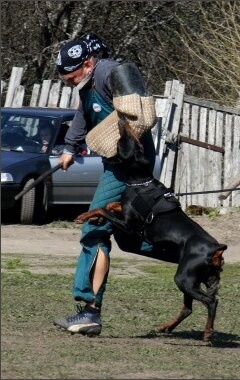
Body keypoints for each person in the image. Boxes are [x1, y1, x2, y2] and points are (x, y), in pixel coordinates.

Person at [52, 34, 161, 336]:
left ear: (87, 64)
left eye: (72, 77)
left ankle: (89, 310)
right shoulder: (88, 85)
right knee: (127, 237)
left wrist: (103, 141)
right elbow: (82, 115)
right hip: (118, 164)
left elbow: (139, 117)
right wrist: (70, 148)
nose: (70, 82)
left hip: (127, 166)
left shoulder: (110, 73)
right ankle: (190, 253)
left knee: (94, 228)